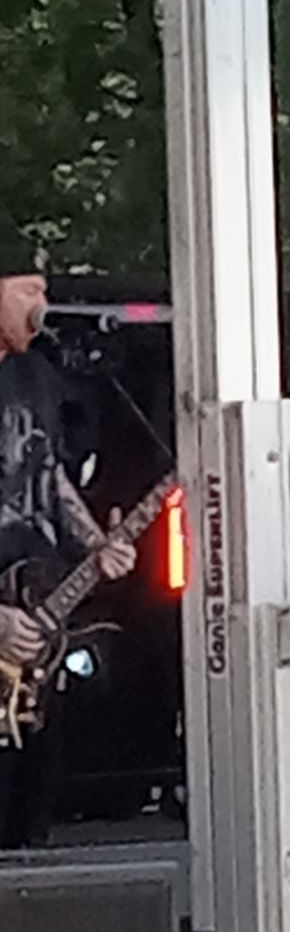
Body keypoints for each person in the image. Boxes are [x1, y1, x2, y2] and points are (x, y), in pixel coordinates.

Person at [0, 212, 136, 845]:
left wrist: (94, 543)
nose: (43, 303)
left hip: (38, 612)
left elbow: (49, 475)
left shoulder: (36, 376)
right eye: (29, 289)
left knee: (31, 805)